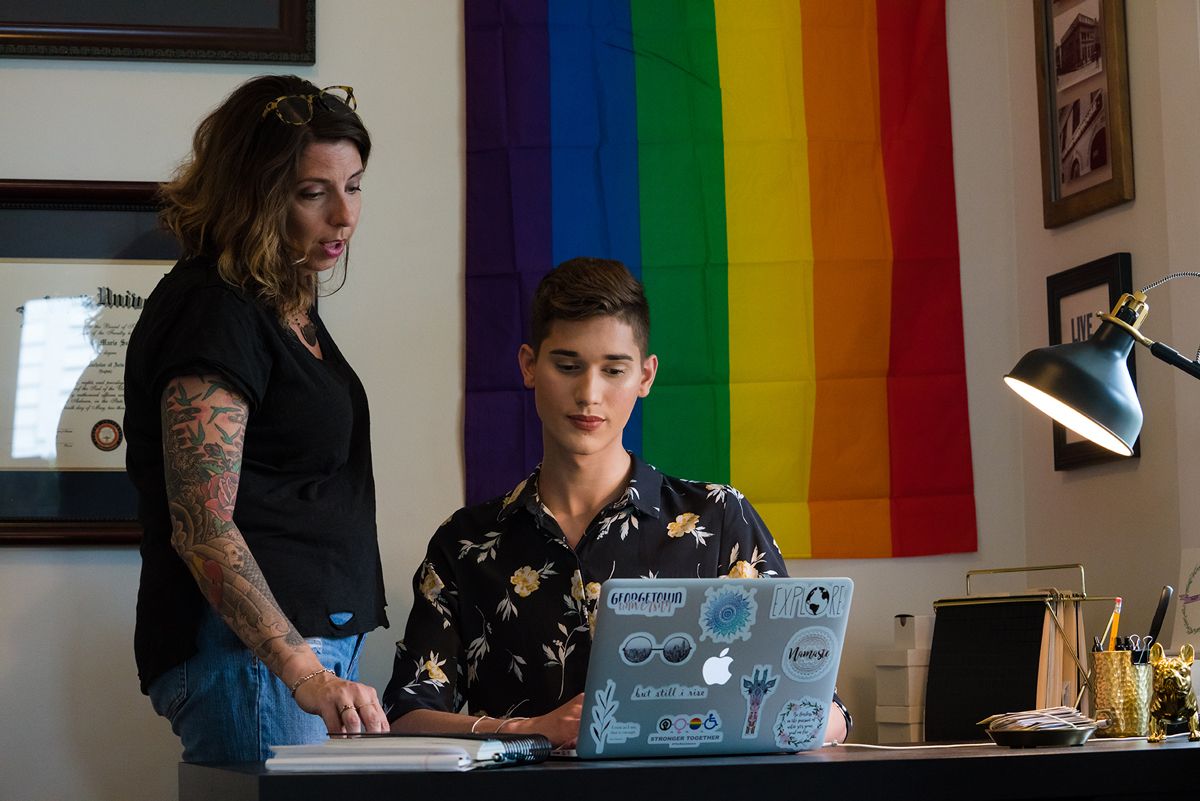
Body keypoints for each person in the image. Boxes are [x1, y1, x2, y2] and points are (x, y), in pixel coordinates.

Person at [382, 257, 850, 747]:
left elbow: (823, 706)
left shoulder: (719, 516)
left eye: (613, 370)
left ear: (645, 377)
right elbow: (406, 715)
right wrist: (528, 730)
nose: (589, 393)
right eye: (567, 366)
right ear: (528, 366)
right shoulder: (466, 542)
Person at [124, 75, 389, 763]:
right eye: (312, 192)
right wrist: (301, 670)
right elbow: (202, 524)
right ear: (255, 195)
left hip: (295, 657)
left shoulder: (281, 297)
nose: (343, 215)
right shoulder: (215, 309)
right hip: (256, 662)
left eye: (353, 185)